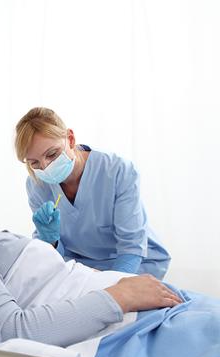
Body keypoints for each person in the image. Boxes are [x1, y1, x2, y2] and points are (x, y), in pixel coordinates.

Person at [0, 141, 183, 347]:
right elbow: (9, 329)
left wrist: (121, 283)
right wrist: (120, 296)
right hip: (117, 321)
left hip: (131, 305)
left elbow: (49, 279)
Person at [14, 107, 171, 279]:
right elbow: (53, 258)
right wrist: (51, 240)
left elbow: (131, 248)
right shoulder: (37, 185)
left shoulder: (117, 170)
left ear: (71, 139)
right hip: (82, 268)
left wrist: (110, 287)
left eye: (52, 154)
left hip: (135, 265)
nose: (45, 167)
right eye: (34, 163)